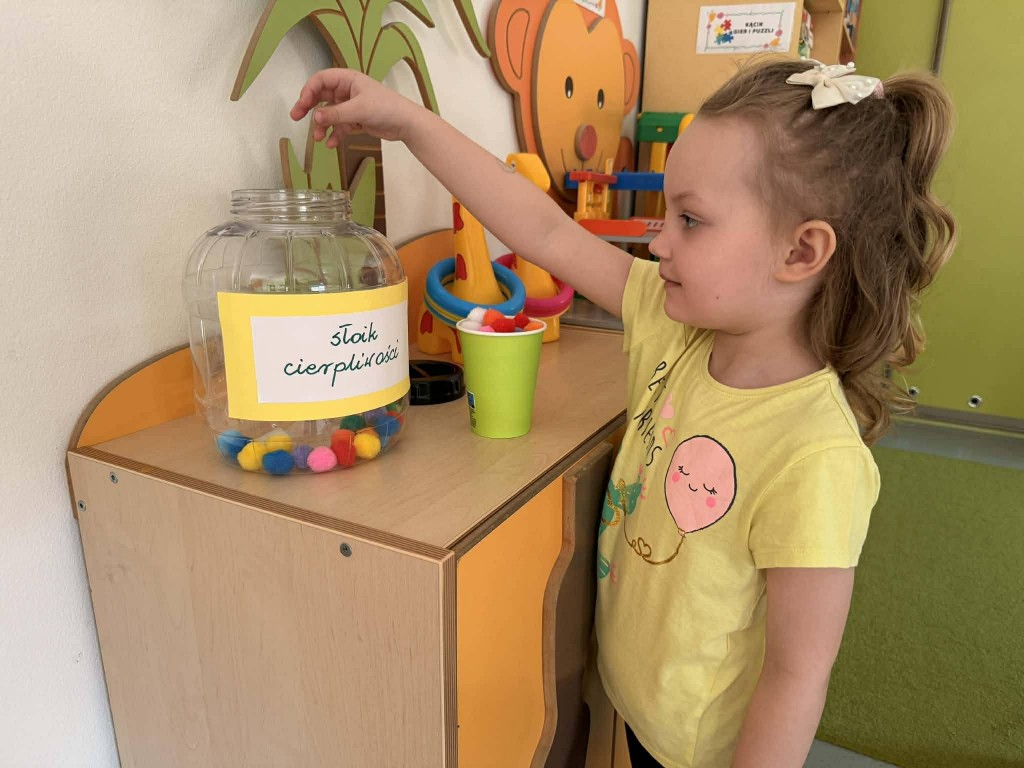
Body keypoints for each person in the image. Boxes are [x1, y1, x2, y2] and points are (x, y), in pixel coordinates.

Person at [291, 57, 956, 767]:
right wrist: (408, 122)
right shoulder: (675, 326)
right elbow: (545, 232)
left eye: (691, 220)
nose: (659, 241)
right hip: (635, 709)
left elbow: (797, 674)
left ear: (801, 250)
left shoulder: (815, 455)